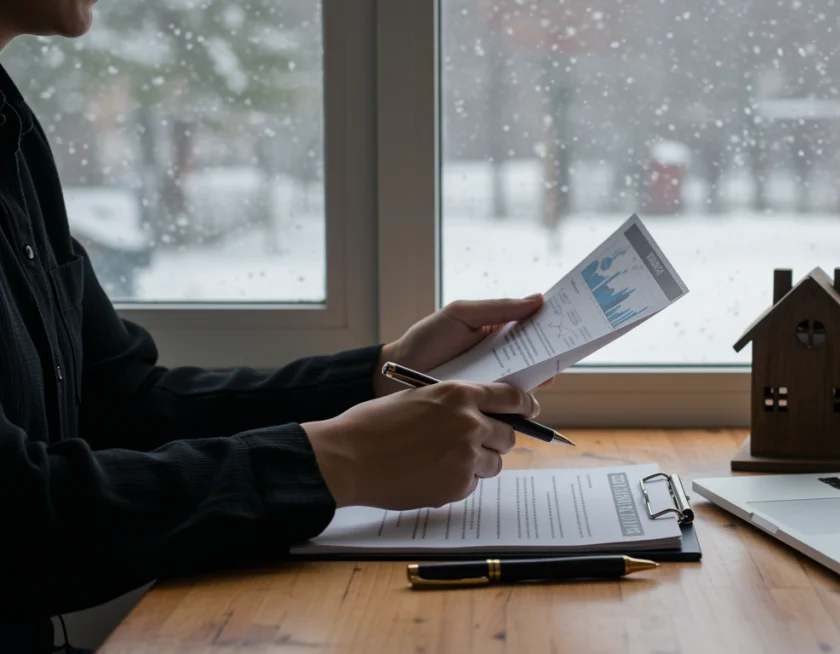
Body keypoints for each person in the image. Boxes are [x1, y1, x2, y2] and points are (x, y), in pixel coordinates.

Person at [0, 2, 546, 651]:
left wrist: (380, 375)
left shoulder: (11, 128)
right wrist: (337, 461)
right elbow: (18, 519)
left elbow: (123, 406)